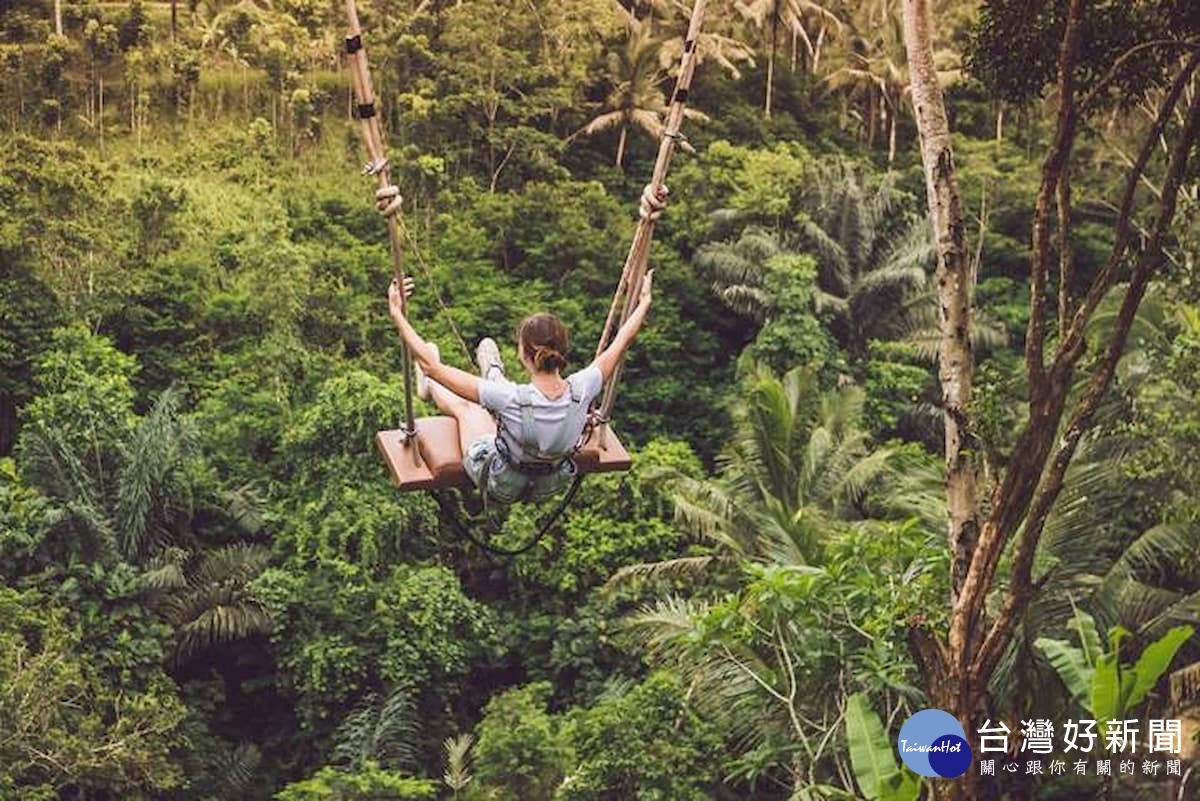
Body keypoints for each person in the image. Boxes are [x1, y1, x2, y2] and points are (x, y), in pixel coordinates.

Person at [387, 184, 668, 504]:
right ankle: (491, 369)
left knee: (468, 408)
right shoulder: (584, 386)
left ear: (523, 354)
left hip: (501, 481)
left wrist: (396, 312)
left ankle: (446, 384)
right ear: (561, 352)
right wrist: (644, 302)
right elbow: (624, 338)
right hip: (548, 485)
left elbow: (431, 365)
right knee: (503, 403)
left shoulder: (508, 399)